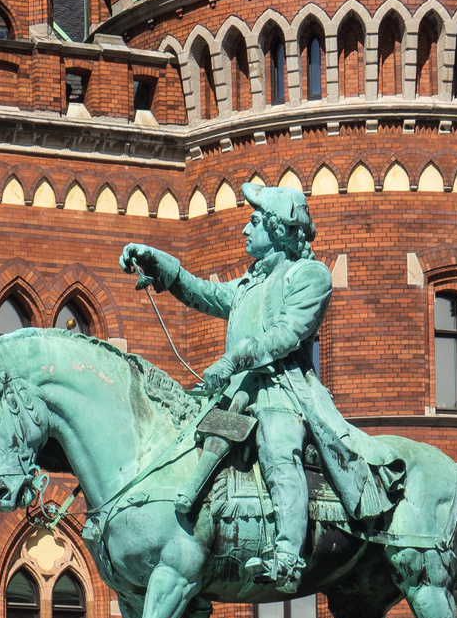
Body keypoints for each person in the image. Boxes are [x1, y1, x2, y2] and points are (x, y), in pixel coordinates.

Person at [120, 183, 402, 592]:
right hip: (236, 395)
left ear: (277, 228)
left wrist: (233, 360)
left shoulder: (308, 275)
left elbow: (287, 335)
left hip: (282, 391)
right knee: (181, 449)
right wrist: (161, 263)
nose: (244, 230)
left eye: (253, 222)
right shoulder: (249, 284)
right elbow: (204, 292)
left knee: (277, 449)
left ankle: (288, 556)